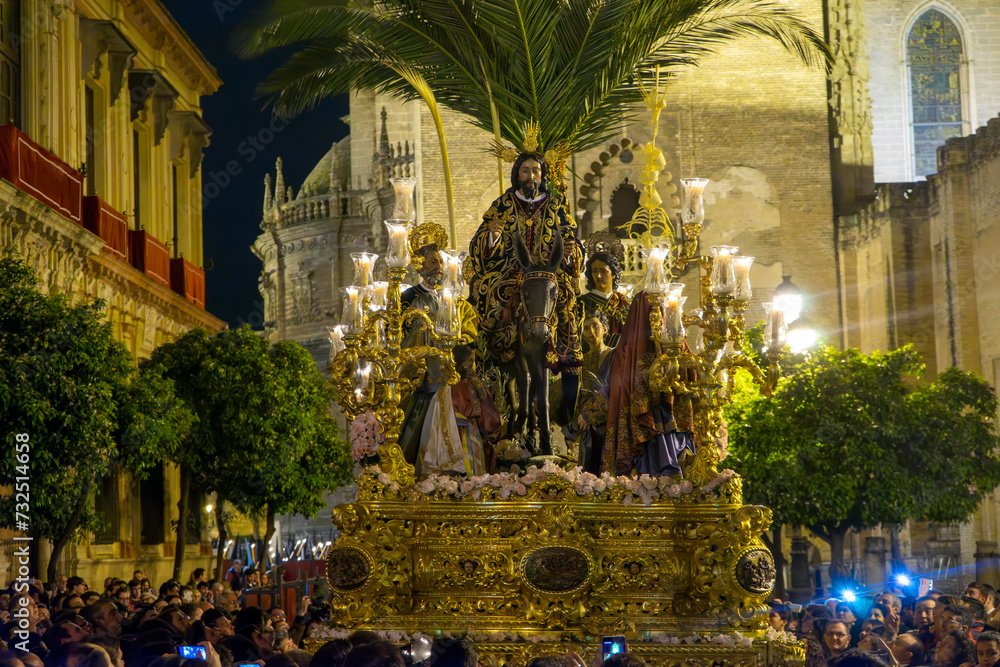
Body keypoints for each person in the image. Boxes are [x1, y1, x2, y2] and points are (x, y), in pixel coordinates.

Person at [469, 150, 584, 422]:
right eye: (525, 171)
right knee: (486, 292)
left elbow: (572, 242)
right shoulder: (502, 204)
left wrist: (569, 251)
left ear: (542, 175)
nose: (531, 176)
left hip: (548, 273)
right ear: (517, 174)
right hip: (511, 272)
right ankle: (490, 353)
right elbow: (479, 245)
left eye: (536, 171)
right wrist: (492, 238)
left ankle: (566, 358)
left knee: (567, 301)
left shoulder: (556, 206)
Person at [398, 232, 478, 476]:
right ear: (420, 265)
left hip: (452, 376)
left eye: (441, 262)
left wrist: (463, 339)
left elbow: (469, 328)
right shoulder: (408, 298)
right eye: (432, 262)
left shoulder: (455, 300)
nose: (438, 267)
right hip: (424, 378)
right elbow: (400, 337)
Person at [602, 292, 695, 475]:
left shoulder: (624, 352)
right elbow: (693, 373)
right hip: (666, 418)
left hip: (647, 423)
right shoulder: (674, 345)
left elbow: (614, 388)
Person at [418, 344, 500, 477]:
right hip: (472, 438)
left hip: (447, 444)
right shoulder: (471, 387)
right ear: (470, 362)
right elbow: (491, 421)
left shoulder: (442, 392)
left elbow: (431, 425)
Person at [573, 310, 616, 474]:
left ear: (605, 328)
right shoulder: (581, 361)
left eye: (595, 326)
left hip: (610, 417)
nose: (590, 331)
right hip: (587, 424)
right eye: (585, 328)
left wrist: (590, 412)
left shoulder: (614, 355)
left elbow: (613, 386)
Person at [577, 247, 629, 348]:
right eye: (594, 271)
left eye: (603, 271)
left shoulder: (626, 303)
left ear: (613, 274)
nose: (598, 276)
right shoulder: (583, 302)